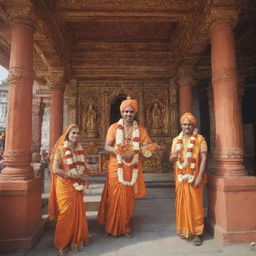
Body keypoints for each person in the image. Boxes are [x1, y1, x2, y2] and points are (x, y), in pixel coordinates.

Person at [97, 97, 159, 238]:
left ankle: (124, 226)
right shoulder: (113, 128)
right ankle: (111, 226)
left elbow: (147, 144)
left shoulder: (141, 130)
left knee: (127, 198)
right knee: (114, 196)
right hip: (116, 166)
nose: (128, 114)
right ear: (122, 112)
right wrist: (119, 151)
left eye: (131, 112)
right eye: (126, 111)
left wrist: (150, 147)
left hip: (132, 167)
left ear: (135, 113)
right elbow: (106, 146)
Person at [48, 124, 92, 256]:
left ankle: (76, 238)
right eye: (73, 133)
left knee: (78, 212)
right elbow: (55, 169)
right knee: (65, 214)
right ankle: (61, 243)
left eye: (78, 133)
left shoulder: (80, 149)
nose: (76, 136)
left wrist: (86, 174)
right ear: (67, 135)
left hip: (77, 184)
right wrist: (73, 175)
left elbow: (83, 166)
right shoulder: (61, 149)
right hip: (64, 185)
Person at [169, 113, 207, 246]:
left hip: (194, 176)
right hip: (180, 178)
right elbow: (171, 159)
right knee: (182, 203)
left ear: (193, 125)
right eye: (185, 124)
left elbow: (204, 159)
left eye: (189, 124)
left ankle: (197, 233)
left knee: (196, 205)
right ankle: (185, 230)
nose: (187, 126)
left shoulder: (200, 139)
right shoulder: (176, 140)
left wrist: (200, 176)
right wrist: (174, 157)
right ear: (181, 125)